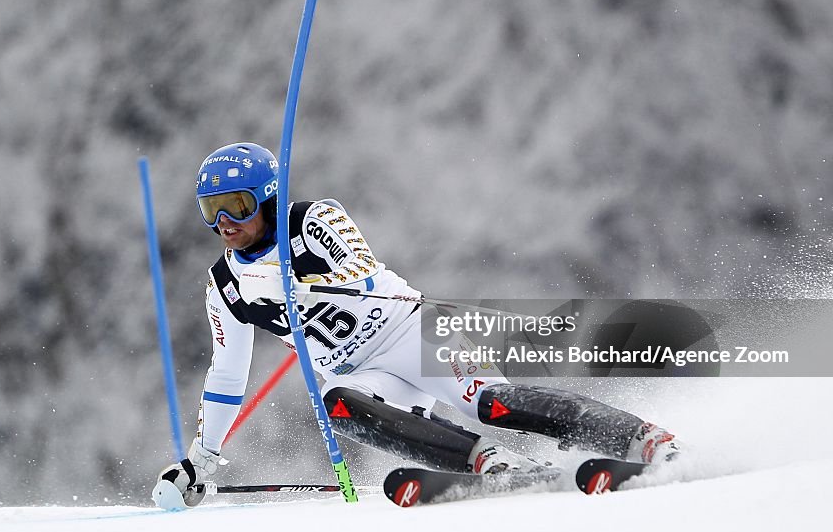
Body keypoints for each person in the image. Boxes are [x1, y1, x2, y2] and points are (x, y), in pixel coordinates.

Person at [154, 142, 681, 508]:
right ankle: (490, 463)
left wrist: (292, 280)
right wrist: (201, 460)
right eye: (211, 210)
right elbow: (226, 376)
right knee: (337, 403)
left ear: (267, 199)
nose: (224, 223)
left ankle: (644, 439)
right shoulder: (223, 286)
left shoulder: (313, 219)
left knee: (489, 402)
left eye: (237, 207)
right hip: (361, 370)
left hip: (412, 332)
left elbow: (359, 270)